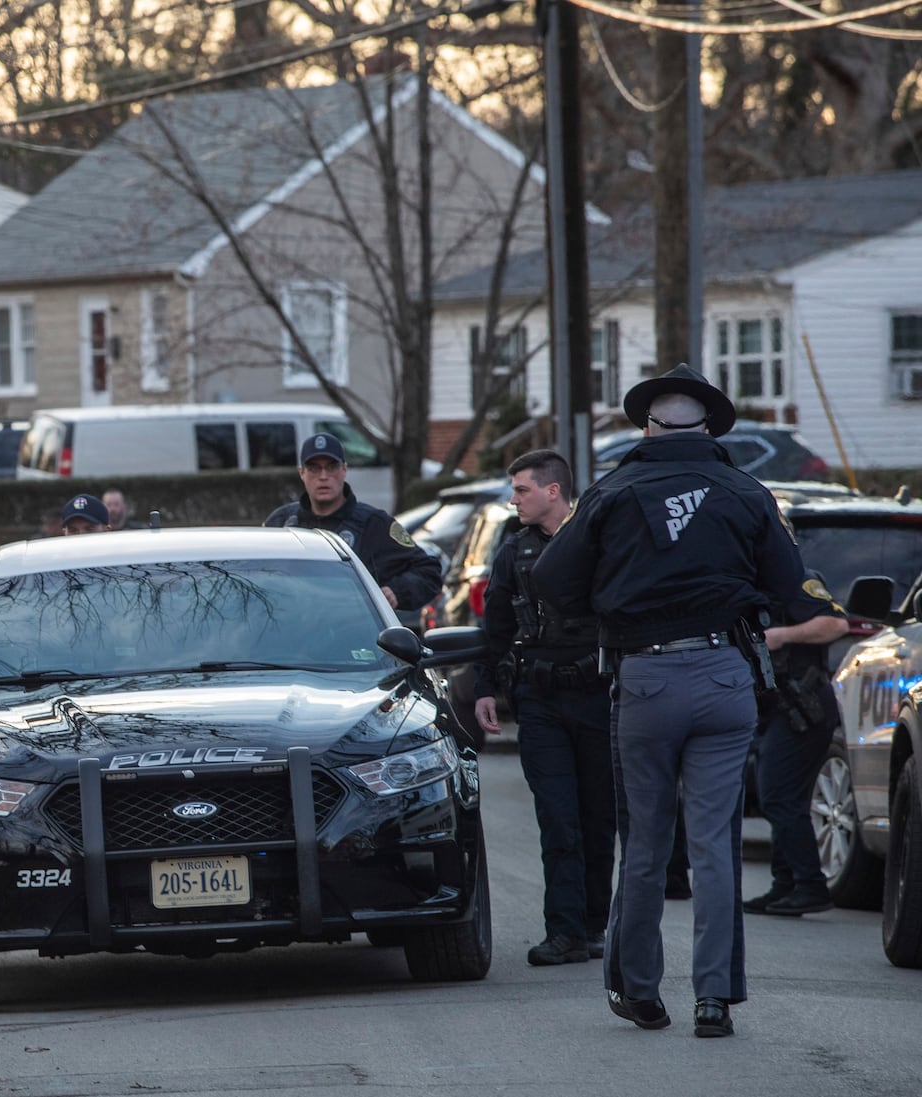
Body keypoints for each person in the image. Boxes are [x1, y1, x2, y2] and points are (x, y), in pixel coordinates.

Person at [532, 363, 831, 1040]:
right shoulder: (747, 491)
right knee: (714, 841)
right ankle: (713, 998)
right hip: (725, 677)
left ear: (647, 426)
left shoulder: (612, 491)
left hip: (645, 678)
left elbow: (551, 578)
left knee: (644, 841)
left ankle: (640, 990)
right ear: (709, 426)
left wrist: (609, 600)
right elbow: (792, 587)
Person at [473, 449, 615, 968]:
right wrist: (485, 687)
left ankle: (595, 925)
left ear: (553, 491)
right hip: (540, 702)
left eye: (522, 490)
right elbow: (496, 629)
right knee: (558, 819)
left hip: (599, 699)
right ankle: (565, 931)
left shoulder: (600, 544)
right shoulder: (514, 552)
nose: (514, 500)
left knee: (598, 818)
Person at [745, 573, 849, 916]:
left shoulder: (795, 578)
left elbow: (835, 624)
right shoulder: (746, 580)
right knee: (780, 796)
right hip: (775, 709)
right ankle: (785, 885)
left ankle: (809, 885)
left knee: (779, 795)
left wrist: (781, 636)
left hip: (803, 705)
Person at [264, 432, 441, 614]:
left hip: (354, 633)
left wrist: (397, 591)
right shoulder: (281, 523)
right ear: (302, 472)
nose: (323, 476)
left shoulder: (374, 525)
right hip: (289, 630)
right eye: (314, 468)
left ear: (344, 470)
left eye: (332, 467)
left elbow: (428, 571)